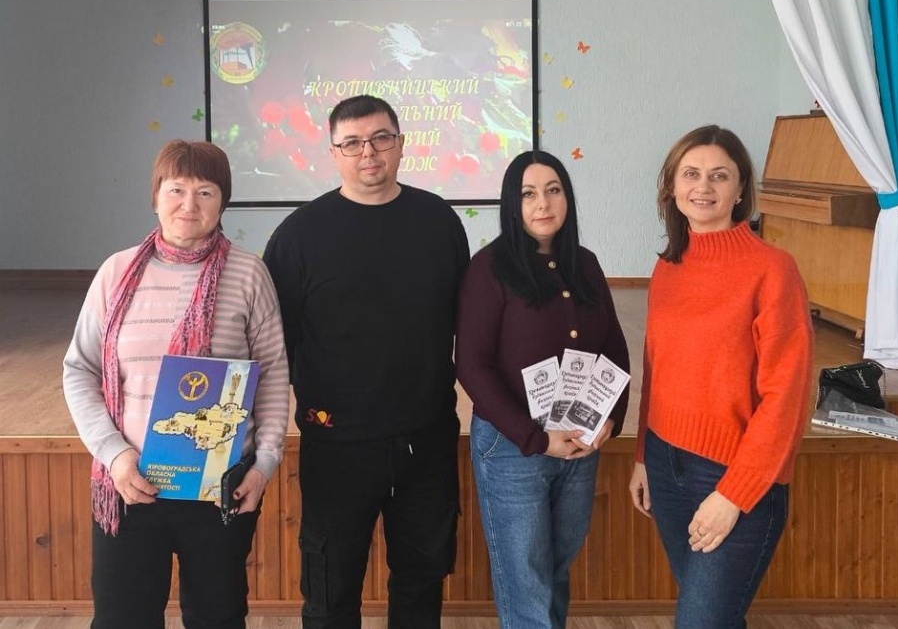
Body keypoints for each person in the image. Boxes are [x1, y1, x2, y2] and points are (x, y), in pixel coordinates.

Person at [62, 140, 290, 629]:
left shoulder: (249, 273)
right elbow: (79, 369)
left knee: (217, 617)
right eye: (176, 189)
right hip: (128, 483)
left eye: (205, 192)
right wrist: (115, 455)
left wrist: (265, 464)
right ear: (155, 196)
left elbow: (272, 373)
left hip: (221, 486)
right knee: (122, 618)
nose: (189, 204)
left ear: (223, 201)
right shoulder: (116, 272)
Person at [262, 94, 470, 629]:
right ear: (333, 153)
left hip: (426, 441)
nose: (368, 152)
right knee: (330, 594)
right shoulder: (299, 235)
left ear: (401, 144)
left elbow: (464, 322)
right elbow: (274, 343)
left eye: (380, 138)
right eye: (352, 143)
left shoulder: (439, 221)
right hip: (337, 445)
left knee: (421, 583)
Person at [628, 126, 814, 628]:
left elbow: (787, 396)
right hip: (665, 464)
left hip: (733, 473)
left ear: (740, 188)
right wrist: (643, 455)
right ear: (672, 186)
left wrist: (734, 493)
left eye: (719, 175)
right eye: (691, 174)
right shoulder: (669, 267)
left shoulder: (773, 269)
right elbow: (657, 369)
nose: (703, 187)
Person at [455, 150, 630, 629]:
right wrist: (535, 438)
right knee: (526, 582)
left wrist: (611, 419)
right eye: (528, 194)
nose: (543, 204)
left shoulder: (586, 264)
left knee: (555, 569)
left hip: (579, 442)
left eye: (553, 190)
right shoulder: (489, 268)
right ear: (512, 204)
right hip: (515, 446)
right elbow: (472, 365)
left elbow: (613, 348)